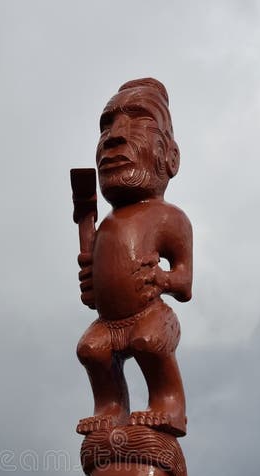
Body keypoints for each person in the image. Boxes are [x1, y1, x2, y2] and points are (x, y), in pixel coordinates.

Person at [76, 77, 193, 437]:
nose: (114, 135)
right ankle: (110, 406)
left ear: (170, 157)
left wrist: (163, 279)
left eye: (138, 119)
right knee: (91, 349)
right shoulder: (104, 225)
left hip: (150, 316)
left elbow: (185, 281)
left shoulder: (168, 218)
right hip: (110, 323)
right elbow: (95, 282)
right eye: (106, 126)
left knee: (147, 342)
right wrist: (91, 280)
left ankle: (169, 403)